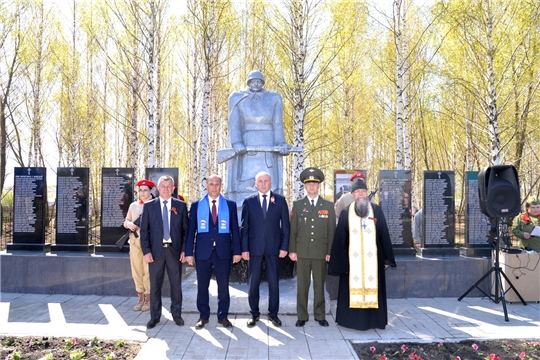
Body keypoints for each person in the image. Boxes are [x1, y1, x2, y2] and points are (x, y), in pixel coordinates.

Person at [328, 178, 396, 331]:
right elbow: (340, 239)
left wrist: (386, 258)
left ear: (366, 194)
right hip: (353, 264)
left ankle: (375, 322)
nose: (361, 194)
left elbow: (383, 233)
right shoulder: (346, 212)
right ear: (352, 195)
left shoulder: (376, 210)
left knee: (375, 289)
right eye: (357, 191)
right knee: (351, 290)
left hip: (374, 261)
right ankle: (350, 321)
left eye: (363, 191)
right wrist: (341, 262)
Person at [184, 175, 242, 329]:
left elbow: (235, 230)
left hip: (223, 252)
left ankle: (223, 316)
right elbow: (191, 231)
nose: (214, 187)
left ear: (220, 186)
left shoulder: (229, 205)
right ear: (206, 186)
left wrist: (237, 251)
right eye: (211, 184)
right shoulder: (197, 205)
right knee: (202, 286)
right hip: (203, 252)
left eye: (217, 184)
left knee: (223, 286)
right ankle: (203, 316)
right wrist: (188, 252)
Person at [227, 70, 291, 206]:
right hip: (247, 146)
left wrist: (281, 143)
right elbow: (234, 123)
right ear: (248, 82)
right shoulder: (238, 97)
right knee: (245, 185)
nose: (256, 83)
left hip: (268, 146)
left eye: (258, 80)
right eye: (253, 80)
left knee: (270, 182)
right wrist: (237, 142)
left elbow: (278, 123)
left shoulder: (274, 98)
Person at [241, 171, 290, 327]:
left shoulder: (280, 201)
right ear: (255, 183)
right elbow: (244, 227)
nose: (263, 183)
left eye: (266, 181)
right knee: (253, 283)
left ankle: (273, 314)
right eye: (260, 181)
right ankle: (254, 314)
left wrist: (284, 247)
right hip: (254, 249)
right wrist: (244, 249)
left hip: (274, 249)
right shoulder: (248, 202)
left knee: (274, 284)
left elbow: (286, 227)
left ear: (271, 182)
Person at [289, 167, 336, 327]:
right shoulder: (297, 205)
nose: (311, 187)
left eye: (314, 184)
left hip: (320, 253)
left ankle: (320, 315)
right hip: (302, 252)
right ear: (304, 186)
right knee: (302, 286)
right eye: (308, 184)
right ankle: (302, 316)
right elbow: (293, 231)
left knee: (319, 285)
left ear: (319, 186)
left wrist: (329, 252)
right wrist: (292, 250)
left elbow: (331, 231)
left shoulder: (328, 206)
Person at [140, 175, 188, 329]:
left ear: (173, 188)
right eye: (163, 186)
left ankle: (176, 315)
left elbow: (185, 231)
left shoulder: (180, 206)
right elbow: (144, 231)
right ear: (158, 188)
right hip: (155, 252)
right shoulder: (149, 206)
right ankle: (155, 317)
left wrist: (184, 250)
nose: (166, 189)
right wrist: (146, 251)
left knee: (176, 285)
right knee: (155, 286)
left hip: (174, 252)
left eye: (169, 186)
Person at [124, 179, 154, 312]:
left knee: (147, 271)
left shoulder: (155, 205)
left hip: (149, 243)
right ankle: (140, 296)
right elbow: (127, 220)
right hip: (135, 242)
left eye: (145, 190)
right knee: (136, 270)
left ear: (151, 191)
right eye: (141, 190)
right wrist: (128, 224)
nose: (143, 193)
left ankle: (148, 298)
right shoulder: (133, 206)